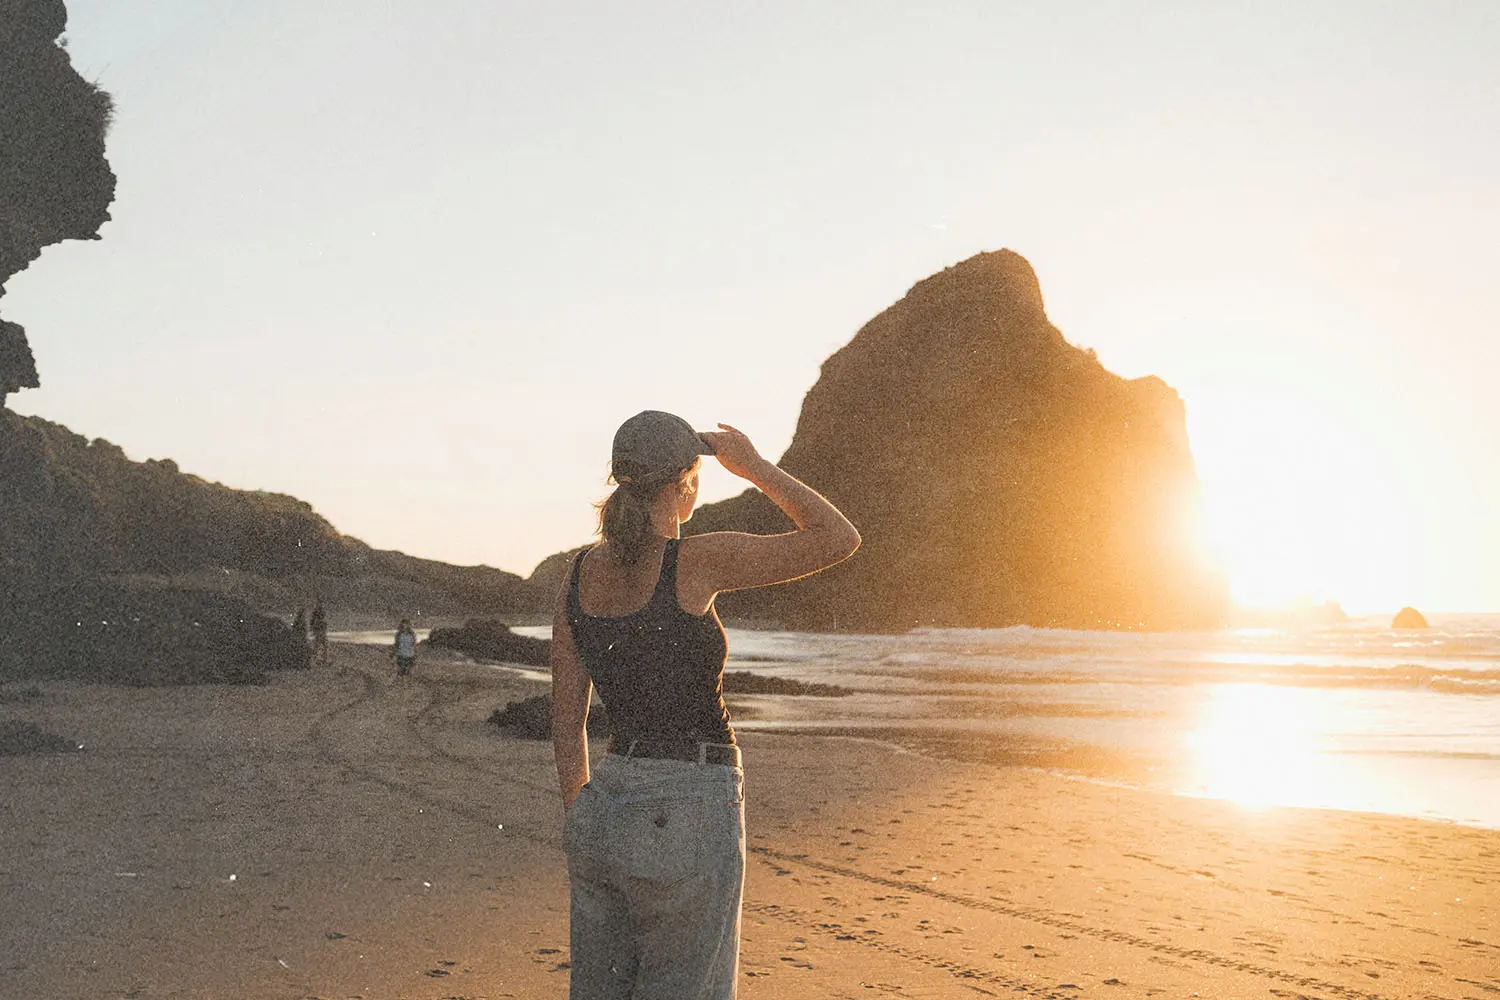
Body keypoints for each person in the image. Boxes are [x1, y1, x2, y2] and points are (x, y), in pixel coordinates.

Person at [551, 411, 859, 999]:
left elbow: (567, 723)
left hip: (603, 804)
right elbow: (838, 538)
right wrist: (756, 468)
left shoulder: (577, 575)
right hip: (690, 803)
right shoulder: (695, 559)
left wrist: (580, 816)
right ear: (685, 481)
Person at [309, 601, 329, 665]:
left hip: (319, 631)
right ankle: (321, 659)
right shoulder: (318, 613)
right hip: (319, 631)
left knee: (319, 645)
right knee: (321, 645)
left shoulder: (316, 613)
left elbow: (312, 623)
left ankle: (319, 659)